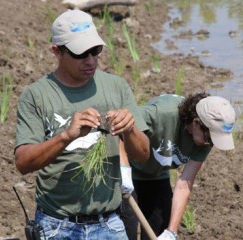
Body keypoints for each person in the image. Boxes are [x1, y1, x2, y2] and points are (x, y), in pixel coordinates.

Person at [14, 9, 150, 240]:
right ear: (56, 51)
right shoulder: (37, 95)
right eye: (81, 54)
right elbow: (23, 163)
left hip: (109, 223)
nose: (91, 61)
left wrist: (130, 130)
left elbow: (143, 155)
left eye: (95, 51)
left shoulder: (116, 87)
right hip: (57, 225)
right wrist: (66, 136)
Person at [120, 93, 236, 240]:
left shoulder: (205, 138)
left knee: (159, 228)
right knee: (126, 230)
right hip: (127, 171)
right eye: (211, 139)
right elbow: (121, 129)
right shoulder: (160, 114)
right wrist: (123, 170)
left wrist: (172, 231)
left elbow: (184, 184)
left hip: (157, 174)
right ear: (196, 123)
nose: (211, 144)